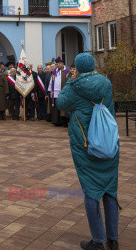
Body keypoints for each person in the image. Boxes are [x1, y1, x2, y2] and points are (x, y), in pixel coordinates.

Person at [57, 53, 119, 250]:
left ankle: (98, 241)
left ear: (77, 68)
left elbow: (60, 103)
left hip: (86, 146)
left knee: (92, 191)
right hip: (109, 144)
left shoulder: (74, 87)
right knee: (110, 190)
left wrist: (70, 81)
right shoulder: (106, 83)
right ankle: (113, 238)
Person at [48, 57, 69, 126]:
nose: (58, 65)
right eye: (57, 64)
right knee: (56, 107)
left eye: (59, 64)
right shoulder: (54, 71)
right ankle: (56, 121)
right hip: (55, 92)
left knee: (63, 107)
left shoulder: (67, 70)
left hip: (63, 92)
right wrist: (50, 90)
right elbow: (51, 81)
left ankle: (64, 122)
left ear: (62, 63)